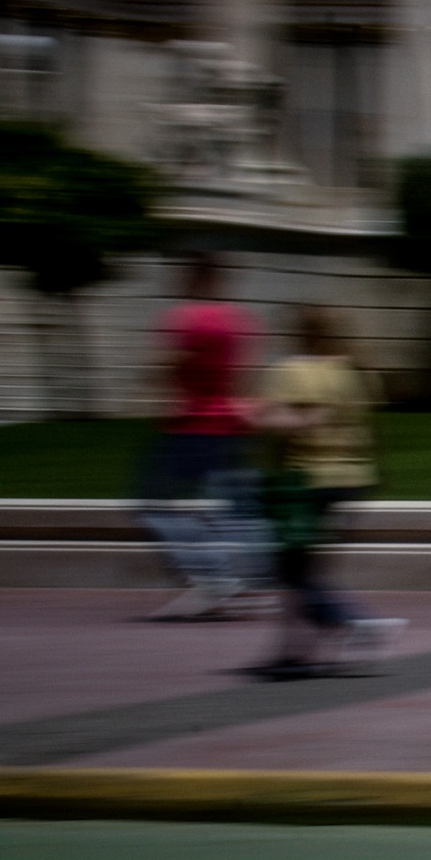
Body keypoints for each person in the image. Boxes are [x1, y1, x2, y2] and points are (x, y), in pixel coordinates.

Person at [245, 307, 403, 678]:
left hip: (304, 482)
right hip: (352, 479)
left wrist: (261, 418)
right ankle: (294, 649)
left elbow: (281, 423)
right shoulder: (353, 371)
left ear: (301, 332)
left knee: (291, 572)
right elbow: (372, 429)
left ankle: (353, 621)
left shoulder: (291, 371)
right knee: (308, 570)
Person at [137, 251, 266, 618]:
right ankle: (255, 579)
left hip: (190, 424)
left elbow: (168, 366)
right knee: (238, 508)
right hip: (230, 423)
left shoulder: (183, 319)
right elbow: (246, 375)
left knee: (152, 505)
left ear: (193, 277)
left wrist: (159, 391)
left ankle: (215, 573)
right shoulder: (241, 321)